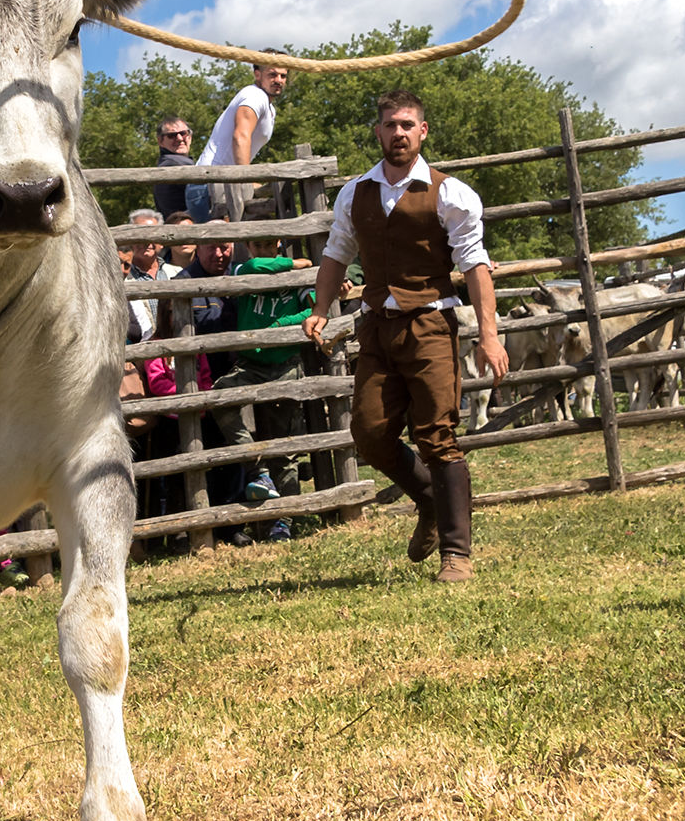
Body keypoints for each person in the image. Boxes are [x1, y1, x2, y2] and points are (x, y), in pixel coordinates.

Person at [304, 90, 508, 583]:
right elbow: (336, 254)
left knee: (436, 435)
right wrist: (320, 309)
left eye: (407, 125)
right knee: (370, 435)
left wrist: (489, 333)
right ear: (378, 132)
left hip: (431, 325)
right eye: (390, 125)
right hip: (375, 326)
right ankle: (431, 501)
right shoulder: (356, 193)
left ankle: (456, 555)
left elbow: (475, 264)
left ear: (423, 132)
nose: (398, 133)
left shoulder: (451, 193)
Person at [218, 196, 315, 544]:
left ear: (279, 242)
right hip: (251, 364)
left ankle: (283, 522)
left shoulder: (298, 275)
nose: (262, 250)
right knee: (220, 397)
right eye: (256, 244)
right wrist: (293, 264)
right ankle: (259, 471)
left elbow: (313, 312)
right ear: (247, 245)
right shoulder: (243, 270)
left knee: (286, 446)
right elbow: (258, 268)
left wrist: (277, 327)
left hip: (286, 365)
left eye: (269, 243)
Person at [191, 58, 290, 223]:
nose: (278, 80)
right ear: (257, 75)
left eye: (283, 75)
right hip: (209, 185)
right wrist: (245, 180)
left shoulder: (269, 107)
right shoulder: (254, 96)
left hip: (220, 184)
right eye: (272, 74)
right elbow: (240, 136)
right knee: (212, 247)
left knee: (227, 246)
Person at [152, 118, 197, 220]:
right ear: (160, 141)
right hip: (187, 226)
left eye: (183, 133)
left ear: (190, 137)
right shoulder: (174, 164)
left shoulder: (165, 163)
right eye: (171, 135)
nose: (180, 138)